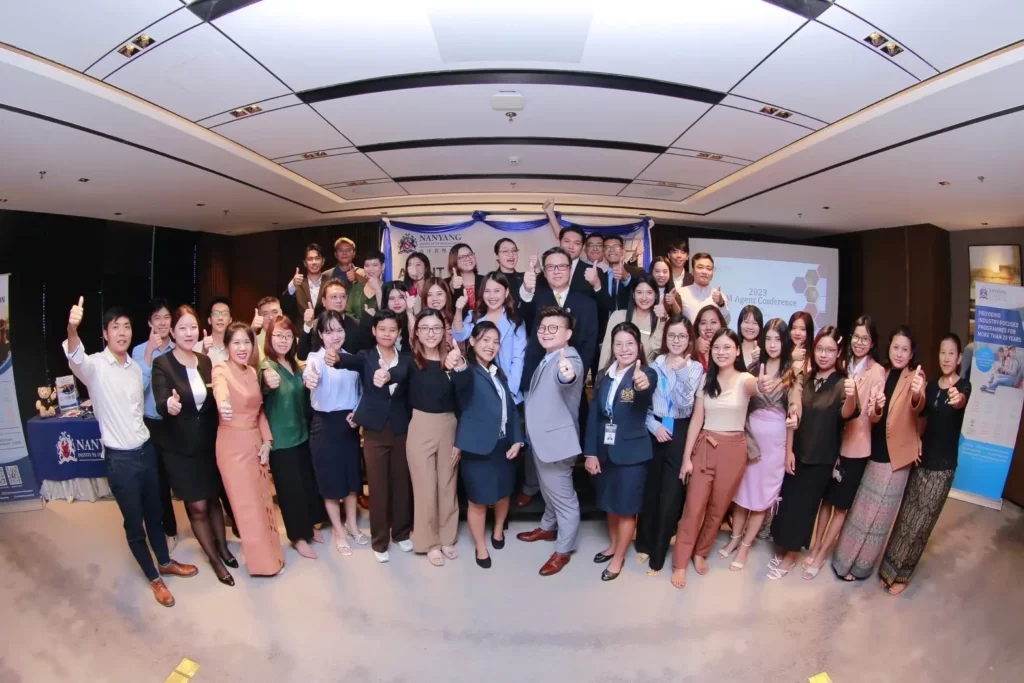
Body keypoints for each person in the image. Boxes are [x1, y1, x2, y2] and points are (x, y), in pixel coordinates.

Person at [63, 297, 197, 606]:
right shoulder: (95, 366)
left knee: (155, 514)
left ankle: (165, 562)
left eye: (126, 327)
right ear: (105, 334)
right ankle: (154, 578)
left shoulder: (136, 368)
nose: (122, 332)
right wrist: (72, 328)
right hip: (120, 460)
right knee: (134, 523)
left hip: (145, 451)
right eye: (115, 327)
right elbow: (75, 354)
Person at [832, 326, 926, 581]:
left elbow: (918, 405)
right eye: (895, 347)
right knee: (861, 511)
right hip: (875, 450)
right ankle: (842, 561)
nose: (899, 353)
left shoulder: (915, 376)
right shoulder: (883, 373)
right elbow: (874, 417)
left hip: (897, 457)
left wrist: (917, 393)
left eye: (905, 349)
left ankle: (861, 568)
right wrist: (876, 408)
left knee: (880, 518)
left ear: (912, 353)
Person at [880, 333, 970, 594]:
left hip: (943, 466)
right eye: (943, 352)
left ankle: (902, 575)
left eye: (951, 353)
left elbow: (960, 401)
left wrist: (958, 398)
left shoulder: (963, 386)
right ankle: (888, 569)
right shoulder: (930, 386)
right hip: (922, 460)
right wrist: (917, 438)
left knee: (922, 523)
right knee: (906, 517)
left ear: (959, 358)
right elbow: (921, 418)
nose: (946, 358)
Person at [670, 329, 761, 588]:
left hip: (734, 450)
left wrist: (763, 383)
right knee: (694, 507)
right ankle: (680, 562)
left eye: (727, 347)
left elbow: (756, 387)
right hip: (706, 446)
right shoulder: (706, 380)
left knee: (718, 509)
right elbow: (696, 420)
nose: (721, 352)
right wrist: (687, 458)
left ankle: (701, 552)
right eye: (717, 347)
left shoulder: (745, 379)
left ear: (737, 351)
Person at [153, 305, 235, 586]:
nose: (188, 333)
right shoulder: (162, 364)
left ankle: (224, 549)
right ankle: (214, 560)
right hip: (180, 449)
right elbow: (161, 401)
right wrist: (169, 405)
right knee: (197, 507)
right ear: (172, 331)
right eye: (182, 328)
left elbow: (214, 399)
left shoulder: (205, 361)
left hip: (208, 444)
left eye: (192, 328)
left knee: (213, 499)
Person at [768, 326, 858, 580]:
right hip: (797, 452)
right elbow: (793, 415)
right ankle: (783, 547)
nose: (824, 355)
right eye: (820, 349)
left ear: (838, 353)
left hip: (821, 458)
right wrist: (788, 451)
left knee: (805, 509)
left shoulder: (842, 384)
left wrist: (852, 396)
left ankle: (791, 557)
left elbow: (847, 413)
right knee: (788, 504)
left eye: (830, 350)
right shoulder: (805, 378)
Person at [801, 315, 885, 575]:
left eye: (865, 338)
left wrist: (878, 407)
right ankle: (815, 547)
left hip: (856, 448)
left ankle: (821, 555)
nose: (859, 342)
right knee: (825, 501)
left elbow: (874, 416)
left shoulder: (876, 371)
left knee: (840, 506)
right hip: (832, 443)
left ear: (873, 343)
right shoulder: (844, 365)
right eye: (856, 337)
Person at [334, 310, 414, 563]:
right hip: (374, 432)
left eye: (392, 329)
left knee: (401, 485)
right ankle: (380, 541)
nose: (387, 334)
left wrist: (389, 375)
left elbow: (403, 374)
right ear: (374, 331)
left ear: (399, 332)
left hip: (401, 430)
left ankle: (401, 533)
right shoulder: (365, 357)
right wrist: (334, 357)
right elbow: (344, 361)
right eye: (382, 329)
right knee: (378, 488)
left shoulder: (407, 358)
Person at [718, 318, 794, 571]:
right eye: (768, 338)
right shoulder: (752, 367)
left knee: (762, 497)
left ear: (785, 342)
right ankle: (734, 538)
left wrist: (789, 449)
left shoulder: (792, 373)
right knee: (743, 493)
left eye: (777, 339)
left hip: (775, 443)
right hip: (750, 438)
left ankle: (745, 546)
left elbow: (794, 412)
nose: (772, 344)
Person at [584, 322, 658, 581]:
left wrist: (641, 383)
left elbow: (645, 388)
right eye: (619, 344)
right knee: (610, 503)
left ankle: (619, 558)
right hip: (605, 451)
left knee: (626, 508)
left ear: (638, 346)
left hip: (632, 454)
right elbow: (594, 416)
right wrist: (590, 453)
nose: (624, 349)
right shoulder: (604, 375)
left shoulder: (646, 373)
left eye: (630, 344)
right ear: (612, 347)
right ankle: (613, 546)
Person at [516, 307, 585, 576]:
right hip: (543, 441)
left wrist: (566, 374)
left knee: (565, 500)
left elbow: (567, 376)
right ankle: (547, 527)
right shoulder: (548, 356)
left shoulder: (569, 360)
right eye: (543, 328)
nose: (546, 332)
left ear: (568, 334)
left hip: (557, 444)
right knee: (548, 491)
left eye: (553, 328)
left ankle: (563, 551)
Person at [212, 322, 285, 577]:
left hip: (255, 442)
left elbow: (259, 410)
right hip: (233, 446)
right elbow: (220, 390)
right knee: (247, 508)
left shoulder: (252, 371)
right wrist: (223, 403)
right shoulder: (221, 370)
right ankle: (262, 565)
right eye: (236, 343)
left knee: (263, 501)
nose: (242, 348)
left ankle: (272, 555)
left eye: (247, 342)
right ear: (227, 346)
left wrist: (267, 442)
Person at [449, 322, 524, 569]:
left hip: (504, 445)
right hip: (477, 448)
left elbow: (511, 409)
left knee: (503, 493)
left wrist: (517, 439)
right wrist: (459, 364)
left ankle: (499, 529)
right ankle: (480, 546)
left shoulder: (498, 373)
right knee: (478, 500)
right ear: (472, 342)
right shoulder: (468, 371)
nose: (491, 346)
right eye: (485, 340)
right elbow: (461, 383)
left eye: (495, 341)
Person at [635, 315, 704, 576]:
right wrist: (654, 426)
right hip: (655, 429)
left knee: (670, 496)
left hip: (680, 430)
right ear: (665, 338)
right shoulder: (654, 365)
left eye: (682, 336)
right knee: (650, 491)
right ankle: (643, 544)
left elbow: (685, 405)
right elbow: (642, 406)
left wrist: (680, 372)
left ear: (689, 339)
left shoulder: (695, 368)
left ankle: (658, 554)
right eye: (672, 335)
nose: (676, 340)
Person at [260, 315, 328, 560]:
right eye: (278, 335)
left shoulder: (295, 365)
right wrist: (267, 383)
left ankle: (309, 525)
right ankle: (298, 537)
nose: (283, 340)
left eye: (288, 336)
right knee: (290, 491)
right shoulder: (266, 367)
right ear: (269, 338)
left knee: (307, 484)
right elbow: (263, 388)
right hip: (281, 440)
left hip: (302, 435)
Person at [302, 310, 368, 556]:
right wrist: (310, 379)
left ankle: (351, 524)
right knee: (331, 482)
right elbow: (311, 375)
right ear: (320, 334)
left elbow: (361, 392)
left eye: (339, 330)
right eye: (329, 332)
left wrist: (357, 413)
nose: (335, 336)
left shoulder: (351, 359)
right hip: (325, 425)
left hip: (348, 425)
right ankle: (338, 531)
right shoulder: (315, 359)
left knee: (351, 481)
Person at [406, 309, 460, 566]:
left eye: (436, 328)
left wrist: (460, 366)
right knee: (425, 488)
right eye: (425, 328)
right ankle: (429, 542)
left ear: (444, 331)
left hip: (449, 425)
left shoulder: (454, 361)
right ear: (416, 332)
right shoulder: (410, 362)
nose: (431, 333)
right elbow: (392, 378)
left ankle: (447, 537)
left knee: (448, 484)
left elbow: (465, 397)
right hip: (420, 425)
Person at [131, 298, 178, 546]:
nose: (162, 322)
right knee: (159, 482)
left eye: (166, 317)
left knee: (182, 475)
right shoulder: (139, 351)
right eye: (157, 318)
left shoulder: (179, 348)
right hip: (153, 424)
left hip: (178, 422)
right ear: (150, 322)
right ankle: (170, 530)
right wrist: (150, 352)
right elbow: (140, 387)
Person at [519, 247, 598, 389]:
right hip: (536, 376)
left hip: (571, 378)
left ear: (570, 270)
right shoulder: (534, 298)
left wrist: (577, 375)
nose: (556, 271)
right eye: (550, 267)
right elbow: (522, 315)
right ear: (544, 272)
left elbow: (588, 345)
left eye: (562, 266)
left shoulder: (587, 303)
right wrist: (526, 290)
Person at [451, 272, 527, 402]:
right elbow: (459, 335)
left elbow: (518, 360)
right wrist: (458, 310)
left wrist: (508, 392)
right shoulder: (475, 317)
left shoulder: (516, 321)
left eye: (497, 291)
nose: (492, 296)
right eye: (487, 291)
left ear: (506, 292)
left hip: (509, 392)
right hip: (479, 389)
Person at [597, 273, 663, 368]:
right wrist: (601, 375)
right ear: (633, 294)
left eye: (649, 293)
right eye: (639, 292)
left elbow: (659, 350)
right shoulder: (618, 316)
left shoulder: (661, 321)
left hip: (644, 373)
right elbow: (606, 351)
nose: (644, 298)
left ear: (656, 295)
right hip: (617, 373)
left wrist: (662, 321)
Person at [296, 279, 362, 359]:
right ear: (324, 301)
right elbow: (302, 356)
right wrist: (307, 325)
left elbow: (363, 357)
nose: (339, 300)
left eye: (343, 297)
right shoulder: (314, 325)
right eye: (334, 297)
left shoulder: (357, 325)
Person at [540, 199, 592, 296]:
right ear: (560, 242)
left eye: (577, 243)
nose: (570, 247)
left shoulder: (593, 271)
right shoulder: (548, 269)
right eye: (567, 241)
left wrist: (597, 285)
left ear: (583, 247)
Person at [675, 252, 729, 325]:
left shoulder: (719, 296)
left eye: (708, 268)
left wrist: (721, 304)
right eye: (700, 267)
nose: (704, 272)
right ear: (692, 270)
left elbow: (727, 321)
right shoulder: (681, 293)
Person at [357, 281, 412, 352]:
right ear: (386, 300)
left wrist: (410, 312)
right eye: (391, 298)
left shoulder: (413, 320)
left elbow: (416, 344)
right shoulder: (375, 321)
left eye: (401, 297)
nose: (397, 302)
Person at [283, 243, 326, 319]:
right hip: (302, 326)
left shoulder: (329, 283)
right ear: (305, 263)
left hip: (324, 325)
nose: (314, 262)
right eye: (310, 259)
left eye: (317, 258)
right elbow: (285, 306)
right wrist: (293, 285)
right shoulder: (297, 283)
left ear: (323, 261)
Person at [347, 250, 385, 321]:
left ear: (383, 267)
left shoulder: (389, 288)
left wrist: (377, 290)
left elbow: (388, 314)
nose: (370, 269)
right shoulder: (356, 287)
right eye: (367, 265)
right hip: (356, 327)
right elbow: (348, 313)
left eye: (375, 265)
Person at [446, 243, 486, 311]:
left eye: (470, 254)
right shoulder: (447, 283)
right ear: (454, 261)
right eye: (461, 257)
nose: (467, 258)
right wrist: (451, 287)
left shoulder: (485, 280)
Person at [193, 296, 232, 366]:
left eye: (225, 314)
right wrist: (204, 352)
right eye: (216, 313)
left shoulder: (234, 348)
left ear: (230, 320)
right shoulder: (196, 347)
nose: (220, 318)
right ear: (209, 320)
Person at [693, 305, 727, 370]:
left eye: (713, 322)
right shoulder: (690, 349)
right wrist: (695, 349)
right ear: (697, 326)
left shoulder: (729, 349)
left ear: (721, 324)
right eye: (703, 323)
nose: (708, 327)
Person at [251, 297, 281, 365]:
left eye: (275, 312)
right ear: (259, 317)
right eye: (265, 314)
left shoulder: (293, 339)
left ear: (281, 313)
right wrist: (251, 332)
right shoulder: (253, 341)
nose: (271, 317)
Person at [494, 238, 524, 304]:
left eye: (514, 250)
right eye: (505, 251)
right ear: (497, 256)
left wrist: (537, 268)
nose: (511, 254)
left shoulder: (525, 277)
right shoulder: (491, 280)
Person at [788, 311, 814, 379]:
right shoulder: (782, 350)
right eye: (794, 328)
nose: (797, 333)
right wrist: (791, 357)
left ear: (808, 332)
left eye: (802, 329)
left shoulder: (814, 354)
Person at [737, 305, 763, 371]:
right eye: (746, 322)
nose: (750, 327)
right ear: (740, 324)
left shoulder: (765, 352)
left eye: (755, 323)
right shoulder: (733, 349)